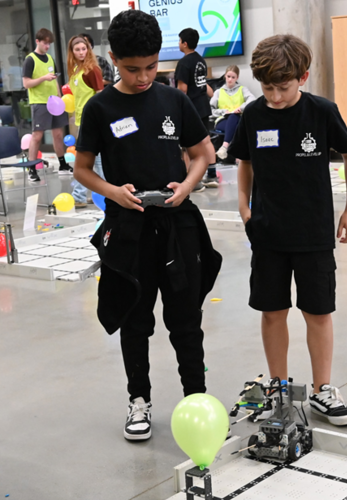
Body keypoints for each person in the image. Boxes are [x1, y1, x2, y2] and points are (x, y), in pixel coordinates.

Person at [71, 10, 222, 442]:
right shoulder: (101, 108)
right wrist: (113, 192)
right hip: (129, 229)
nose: (142, 77)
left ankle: (197, 398)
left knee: (186, 320)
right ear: (113, 59)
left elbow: (202, 155)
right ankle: (139, 399)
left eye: (152, 67)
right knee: (135, 320)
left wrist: (187, 186)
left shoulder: (173, 100)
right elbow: (82, 169)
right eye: (132, 68)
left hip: (177, 226)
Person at [228, 34, 347, 426]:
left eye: (283, 87)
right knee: (273, 311)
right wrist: (243, 202)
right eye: (267, 87)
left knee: (317, 311)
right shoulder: (253, 115)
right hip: (268, 232)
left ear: (302, 77)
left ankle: (323, 390)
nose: (275, 96)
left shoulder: (321, 112)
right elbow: (245, 161)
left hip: (314, 233)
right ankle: (278, 388)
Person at [22, 28, 69, 181]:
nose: (47, 46)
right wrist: (43, 78)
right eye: (45, 43)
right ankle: (32, 169)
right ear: (37, 41)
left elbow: (54, 79)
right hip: (40, 102)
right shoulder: (30, 59)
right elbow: (26, 83)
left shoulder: (49, 58)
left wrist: (59, 96)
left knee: (57, 133)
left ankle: (62, 164)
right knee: (37, 136)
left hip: (54, 101)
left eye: (49, 44)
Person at [175, 28, 218, 188]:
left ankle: (193, 181)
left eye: (179, 40)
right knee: (206, 141)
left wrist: (178, 110)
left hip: (191, 109)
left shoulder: (184, 63)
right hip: (203, 107)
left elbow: (182, 90)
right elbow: (203, 85)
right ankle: (212, 175)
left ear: (184, 44)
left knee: (188, 146)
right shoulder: (201, 60)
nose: (178, 43)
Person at [65, 35, 105, 207]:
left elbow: (100, 93)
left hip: (92, 120)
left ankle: (82, 196)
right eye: (78, 50)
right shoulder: (75, 70)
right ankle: (99, 194)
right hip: (81, 119)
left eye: (84, 49)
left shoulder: (92, 70)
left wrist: (98, 118)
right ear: (72, 52)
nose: (81, 52)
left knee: (89, 160)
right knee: (93, 160)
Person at [211, 64, 256, 161]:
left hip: (237, 118)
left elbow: (252, 100)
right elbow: (211, 110)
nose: (230, 79)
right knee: (235, 124)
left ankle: (224, 147)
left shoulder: (242, 89)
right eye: (228, 76)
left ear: (237, 78)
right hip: (222, 120)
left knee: (234, 117)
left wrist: (241, 108)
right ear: (225, 76)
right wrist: (223, 112)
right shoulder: (218, 92)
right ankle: (235, 155)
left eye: (233, 77)